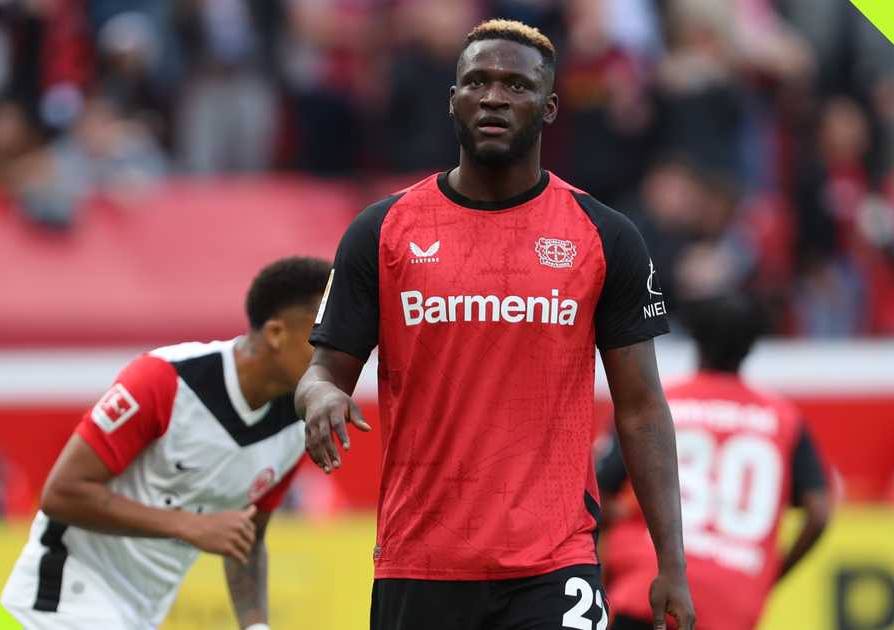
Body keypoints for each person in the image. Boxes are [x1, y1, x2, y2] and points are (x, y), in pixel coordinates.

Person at [297, 19, 695, 630]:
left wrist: (673, 561)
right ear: (452, 97)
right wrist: (321, 394)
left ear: (550, 105)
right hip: (419, 563)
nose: (493, 97)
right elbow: (323, 371)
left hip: (554, 563)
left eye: (515, 85)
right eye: (477, 81)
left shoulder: (605, 235)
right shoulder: (381, 232)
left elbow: (641, 408)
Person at [0, 257, 330, 630]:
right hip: (62, 597)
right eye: (324, 335)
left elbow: (246, 537)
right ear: (275, 334)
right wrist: (188, 525)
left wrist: (256, 626)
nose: (338, 351)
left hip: (141, 613)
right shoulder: (164, 380)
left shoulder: (299, 424)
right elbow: (61, 494)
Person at [598, 295, 832, 630]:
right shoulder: (783, 418)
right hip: (732, 604)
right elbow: (819, 512)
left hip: (648, 588)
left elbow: (596, 495)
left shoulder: (659, 404)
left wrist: (620, 517)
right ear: (752, 346)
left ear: (695, 338)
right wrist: (768, 576)